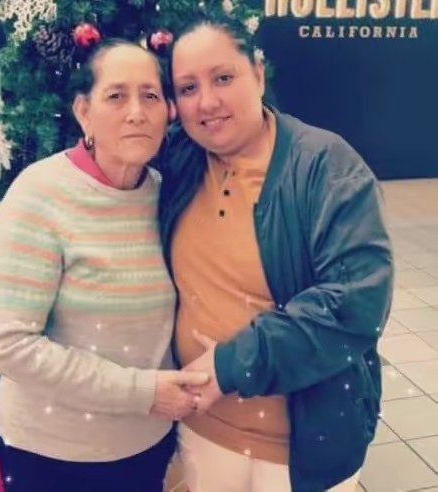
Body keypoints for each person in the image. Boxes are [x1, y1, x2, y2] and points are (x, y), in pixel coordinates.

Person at [156, 15, 394, 492]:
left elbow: (357, 303)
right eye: (188, 88)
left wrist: (231, 364)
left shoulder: (325, 165)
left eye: (224, 77)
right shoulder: (178, 161)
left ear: (258, 74)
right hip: (204, 431)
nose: (207, 102)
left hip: (302, 448)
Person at [0, 38, 208, 492]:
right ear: (84, 111)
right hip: (53, 455)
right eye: (116, 95)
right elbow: (5, 344)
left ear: (168, 111)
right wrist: (141, 392)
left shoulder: (166, 194)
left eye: (150, 95)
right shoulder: (39, 194)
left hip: (145, 445)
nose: (137, 113)